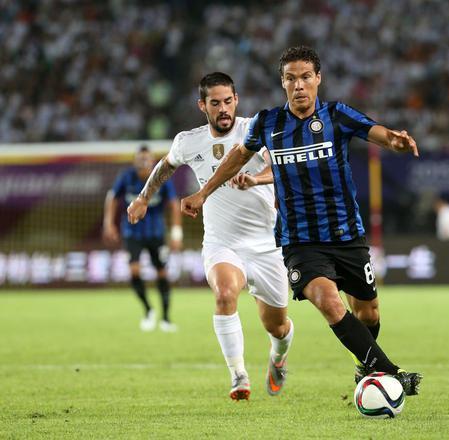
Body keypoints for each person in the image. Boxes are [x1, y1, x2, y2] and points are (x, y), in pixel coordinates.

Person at [180, 46, 422, 396]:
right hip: (300, 241)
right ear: (283, 83)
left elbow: (377, 132)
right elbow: (237, 157)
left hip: (345, 234)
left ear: (318, 79)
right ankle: (391, 374)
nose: (299, 85)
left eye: (306, 77)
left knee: (368, 313)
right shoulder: (268, 123)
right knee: (328, 301)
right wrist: (203, 193)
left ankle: (365, 367)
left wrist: (395, 142)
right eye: (291, 78)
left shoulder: (337, 115)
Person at [126, 72, 294, 401]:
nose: (223, 109)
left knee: (277, 326)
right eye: (215, 103)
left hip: (266, 244)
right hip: (222, 243)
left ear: (237, 100)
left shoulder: (254, 130)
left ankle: (279, 354)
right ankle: (238, 375)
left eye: (228, 101)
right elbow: (165, 166)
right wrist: (144, 197)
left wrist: (255, 179)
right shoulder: (189, 141)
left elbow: (279, 167)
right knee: (225, 294)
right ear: (202, 105)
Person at [103, 145, 181, 332]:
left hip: (156, 233)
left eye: (146, 159)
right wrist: (108, 223)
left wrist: (176, 233)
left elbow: (174, 204)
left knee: (162, 273)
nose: (143, 162)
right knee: (134, 271)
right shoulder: (126, 177)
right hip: (132, 233)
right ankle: (148, 310)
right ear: (135, 161)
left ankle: (166, 318)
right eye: (140, 159)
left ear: (152, 161)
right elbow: (112, 197)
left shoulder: (161, 177)